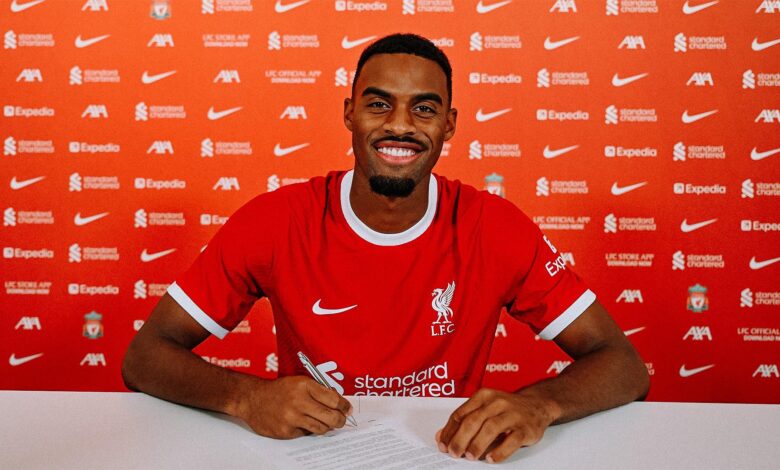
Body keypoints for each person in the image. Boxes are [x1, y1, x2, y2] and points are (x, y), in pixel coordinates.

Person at [122, 33, 649, 463]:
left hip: (443, 456)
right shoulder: (275, 220)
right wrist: (246, 397)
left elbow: (622, 365)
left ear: (449, 124)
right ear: (349, 113)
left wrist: (540, 405)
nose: (399, 125)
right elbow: (145, 357)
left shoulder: (495, 226)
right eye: (379, 104)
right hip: (312, 454)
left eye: (424, 108)